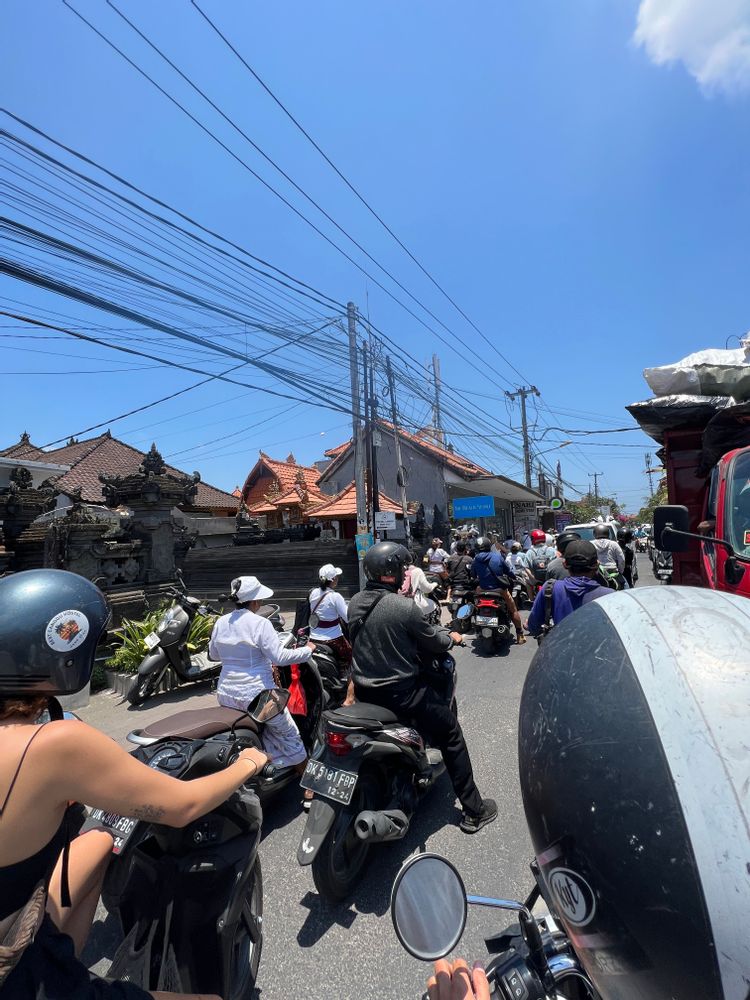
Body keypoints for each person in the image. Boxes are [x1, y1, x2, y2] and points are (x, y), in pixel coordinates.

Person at [0, 568, 267, 1000]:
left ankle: (63, 959)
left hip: (15, 915)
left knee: (102, 842)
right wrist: (250, 764)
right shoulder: (55, 742)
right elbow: (181, 806)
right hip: (13, 978)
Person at [349, 542, 497, 834]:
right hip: (403, 696)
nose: (406, 573)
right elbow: (435, 641)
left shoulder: (354, 602)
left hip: (365, 693)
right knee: (452, 734)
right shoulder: (404, 608)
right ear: (392, 573)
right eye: (403, 568)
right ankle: (473, 810)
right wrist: (451, 636)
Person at [211, 575, 314, 770]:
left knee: (266, 730)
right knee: (289, 733)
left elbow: (214, 655)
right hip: (257, 696)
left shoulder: (221, 622)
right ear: (256, 601)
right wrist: (308, 650)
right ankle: (307, 782)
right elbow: (280, 658)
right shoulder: (260, 623)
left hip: (226, 694)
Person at [526, 540, 612, 638]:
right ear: (596, 564)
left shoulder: (549, 588)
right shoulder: (610, 595)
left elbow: (533, 626)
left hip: (561, 651)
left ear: (564, 564)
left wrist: (528, 625)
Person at [471, 537, 526, 645]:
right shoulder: (498, 556)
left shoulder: (476, 559)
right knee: (513, 609)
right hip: (499, 590)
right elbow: (508, 571)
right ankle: (520, 634)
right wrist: (514, 576)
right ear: (488, 546)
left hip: (483, 590)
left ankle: (476, 616)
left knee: (475, 603)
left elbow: (473, 575)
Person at [308, 563, 351, 668]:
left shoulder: (312, 593)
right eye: (337, 576)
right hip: (333, 639)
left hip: (313, 638)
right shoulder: (335, 596)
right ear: (334, 579)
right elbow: (348, 618)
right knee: (352, 660)